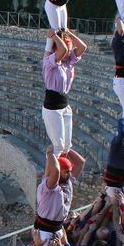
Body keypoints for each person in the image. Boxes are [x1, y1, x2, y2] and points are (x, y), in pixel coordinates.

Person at [41, 29, 87, 158]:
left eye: (70, 48)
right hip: (53, 107)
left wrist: (67, 32)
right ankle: (51, 174)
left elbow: (83, 47)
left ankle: (63, 172)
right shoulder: (49, 61)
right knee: (58, 146)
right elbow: (63, 51)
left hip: (64, 105)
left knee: (67, 146)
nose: (69, 52)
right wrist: (54, 36)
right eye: (68, 48)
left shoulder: (69, 62)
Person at [33, 146, 84, 246]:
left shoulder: (66, 182)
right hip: (44, 232)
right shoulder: (47, 186)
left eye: (69, 171)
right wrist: (49, 153)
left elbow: (80, 163)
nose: (69, 175)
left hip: (58, 229)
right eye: (66, 172)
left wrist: (65, 148)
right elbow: (55, 171)